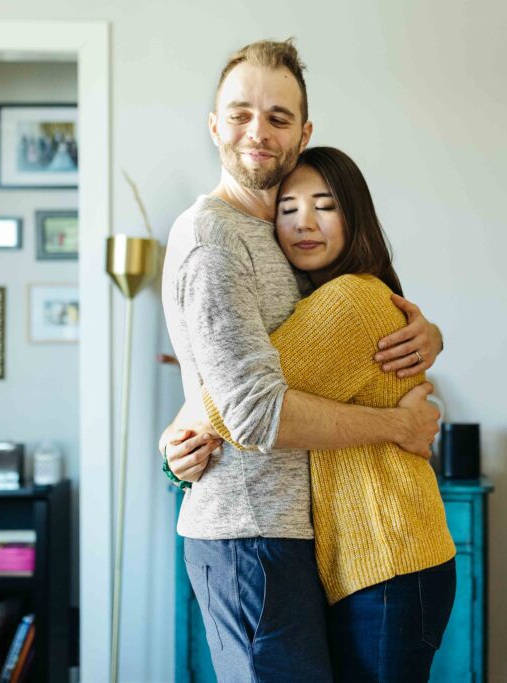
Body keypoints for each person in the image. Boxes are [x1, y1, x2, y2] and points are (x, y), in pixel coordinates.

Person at [160, 38, 444, 683]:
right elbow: (252, 413)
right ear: (214, 124)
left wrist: (421, 331)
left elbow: (317, 360)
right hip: (248, 532)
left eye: (278, 117)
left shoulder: (282, 236)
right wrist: (398, 426)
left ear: (303, 131)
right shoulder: (212, 238)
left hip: (305, 534)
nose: (257, 131)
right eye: (239, 113)